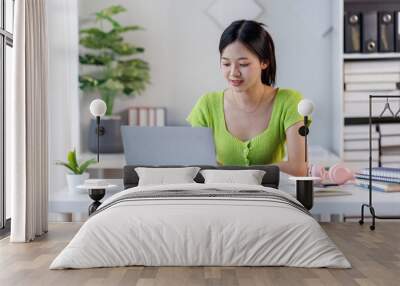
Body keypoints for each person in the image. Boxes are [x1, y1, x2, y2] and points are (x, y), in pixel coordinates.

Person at [186, 20, 311, 177]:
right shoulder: (206, 105)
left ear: (264, 62)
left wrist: (235, 174)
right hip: (219, 198)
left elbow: (299, 168)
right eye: (226, 64)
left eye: (243, 64)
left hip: (271, 198)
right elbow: (198, 168)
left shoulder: (289, 101)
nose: (233, 73)